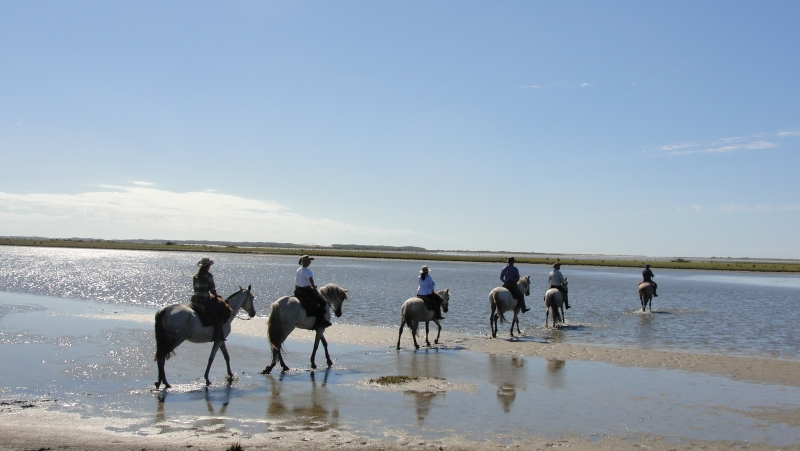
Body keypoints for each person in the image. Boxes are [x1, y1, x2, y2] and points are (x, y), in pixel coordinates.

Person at [191, 257, 231, 342]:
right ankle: (218, 332)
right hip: (205, 299)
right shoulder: (208, 276)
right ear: (208, 266)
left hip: (195, 299)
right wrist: (217, 296)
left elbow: (195, 289)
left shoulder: (195, 276)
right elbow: (212, 290)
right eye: (209, 265)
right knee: (223, 311)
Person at [294, 255, 333, 329]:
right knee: (323, 303)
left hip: (298, 290)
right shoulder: (308, 271)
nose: (310, 262)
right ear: (306, 262)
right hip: (307, 290)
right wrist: (313, 286)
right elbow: (311, 279)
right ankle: (322, 321)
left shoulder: (298, 270)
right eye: (309, 261)